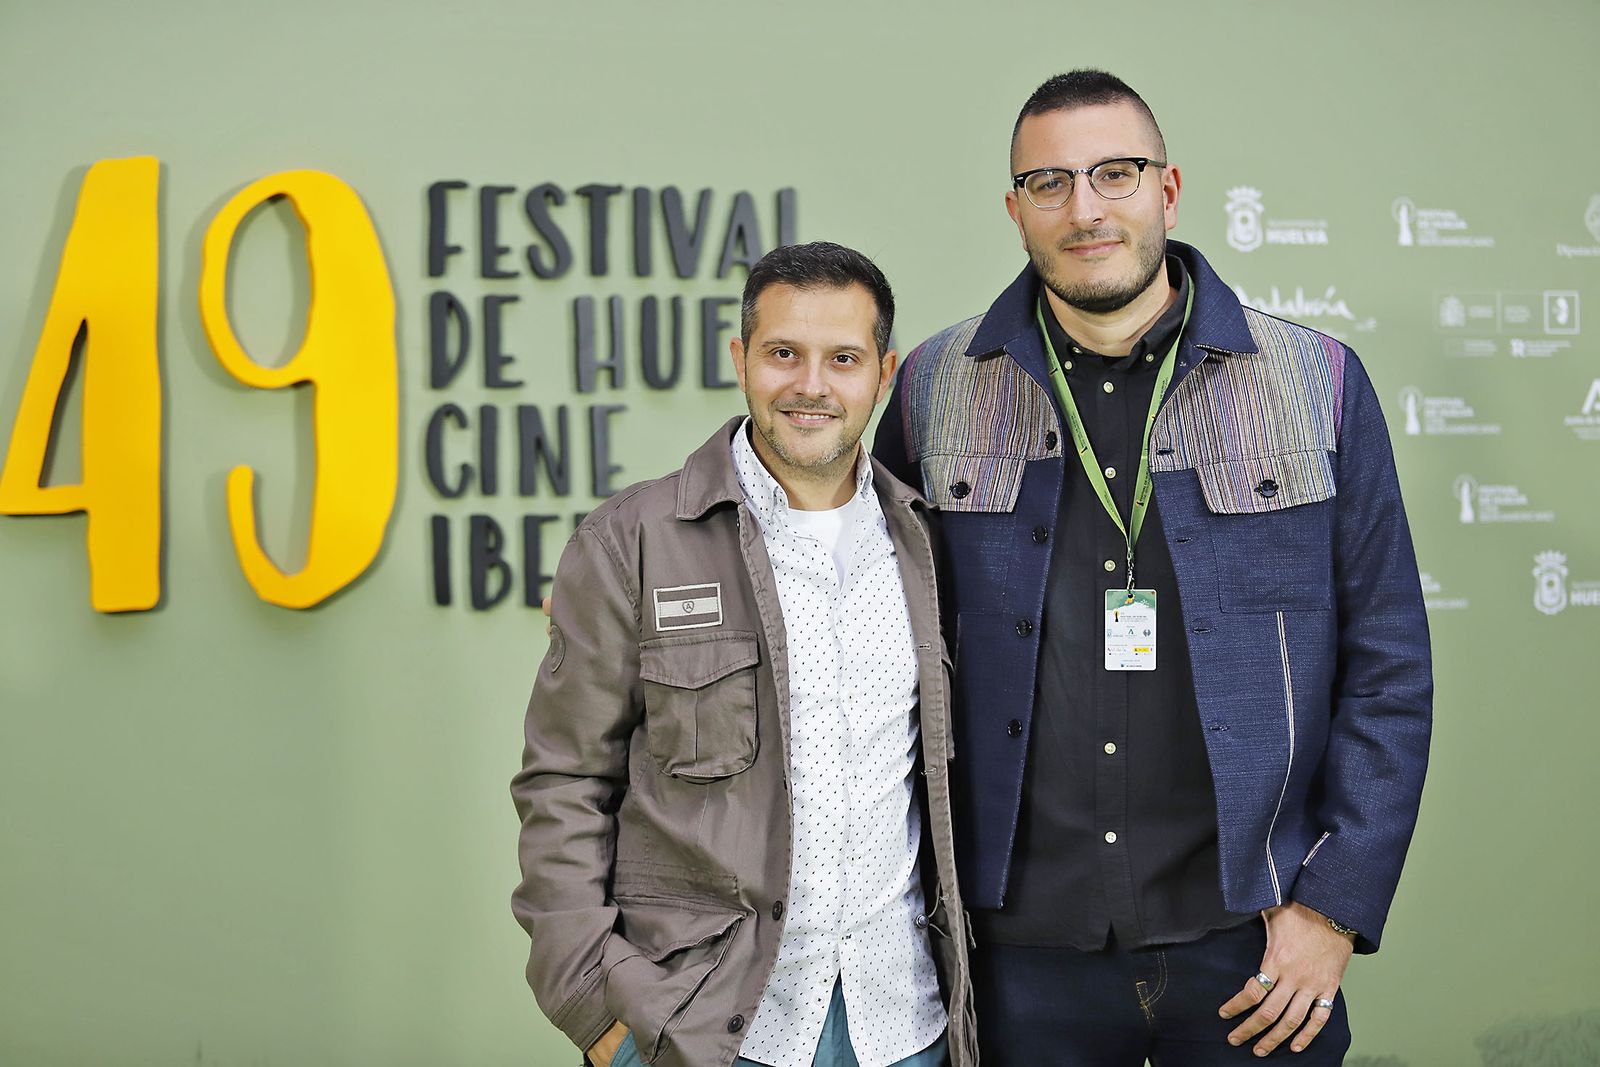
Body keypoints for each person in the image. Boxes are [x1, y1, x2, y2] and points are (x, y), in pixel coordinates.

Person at [873, 70, 1431, 1063]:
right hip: (1014, 955)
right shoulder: (931, 389)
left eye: (1114, 174)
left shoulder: (1317, 382)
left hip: (1251, 943)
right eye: (1049, 184)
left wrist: (1332, 908)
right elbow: (874, 659)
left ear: (1167, 191)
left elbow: (1388, 667)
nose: (1083, 208)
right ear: (1015, 211)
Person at [512, 242, 974, 1067]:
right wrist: (593, 1006)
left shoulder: (928, 545)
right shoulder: (633, 541)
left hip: (905, 1028)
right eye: (783, 354)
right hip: (700, 1032)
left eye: (843, 358)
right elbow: (565, 781)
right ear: (741, 359)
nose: (810, 385)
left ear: (884, 371)